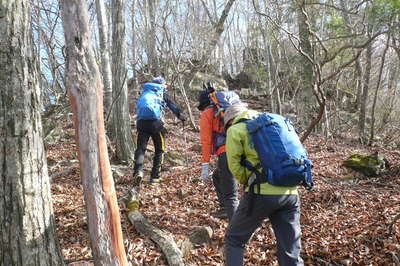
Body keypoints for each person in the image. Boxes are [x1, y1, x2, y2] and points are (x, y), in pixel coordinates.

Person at [223, 104, 304, 266]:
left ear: (230, 120)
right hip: (291, 192)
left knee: (234, 239)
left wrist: (248, 180)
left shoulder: (236, 129)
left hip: (262, 192)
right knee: (290, 248)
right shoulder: (275, 123)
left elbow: (235, 167)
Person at [133, 77, 186, 185]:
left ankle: (137, 172)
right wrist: (181, 116)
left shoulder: (144, 92)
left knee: (141, 149)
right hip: (155, 124)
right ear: (162, 84)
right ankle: (155, 177)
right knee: (159, 149)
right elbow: (173, 106)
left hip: (141, 123)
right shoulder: (161, 93)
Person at [197, 83, 239, 220]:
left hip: (227, 152)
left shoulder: (207, 113)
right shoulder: (230, 108)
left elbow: (206, 141)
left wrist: (205, 164)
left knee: (231, 196)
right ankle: (225, 208)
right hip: (245, 149)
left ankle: (236, 231)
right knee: (217, 176)